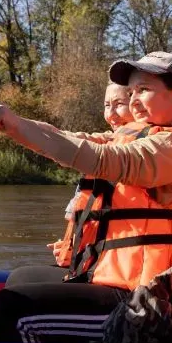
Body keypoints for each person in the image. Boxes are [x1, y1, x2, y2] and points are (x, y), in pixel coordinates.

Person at [0, 51, 172, 343]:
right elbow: (62, 136)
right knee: (21, 278)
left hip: (158, 304)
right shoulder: (135, 137)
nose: (133, 100)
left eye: (143, 90)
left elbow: (100, 158)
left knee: (12, 308)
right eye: (131, 92)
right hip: (125, 285)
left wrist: (13, 122)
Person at [50, 82, 133, 267]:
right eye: (106, 105)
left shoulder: (146, 154)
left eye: (119, 104)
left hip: (117, 268)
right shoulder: (108, 141)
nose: (110, 114)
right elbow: (61, 137)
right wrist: (70, 246)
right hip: (92, 261)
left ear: (138, 104)